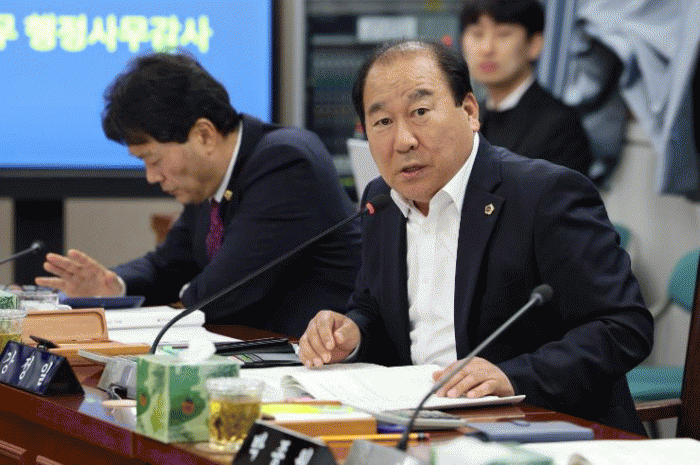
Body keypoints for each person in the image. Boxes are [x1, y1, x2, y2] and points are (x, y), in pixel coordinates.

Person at [298, 40, 653, 435]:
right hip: (422, 425)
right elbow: (374, 311)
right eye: (382, 122)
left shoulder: (544, 194)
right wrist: (352, 334)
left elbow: (623, 326)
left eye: (420, 112)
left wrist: (514, 377)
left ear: (469, 111)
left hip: (542, 428)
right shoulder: (380, 201)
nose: (403, 140)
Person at [35, 52, 361, 337]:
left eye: (153, 159)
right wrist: (112, 285)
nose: (151, 177)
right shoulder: (209, 182)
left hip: (320, 365)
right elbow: (168, 265)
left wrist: (181, 297)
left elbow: (221, 293)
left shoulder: (285, 164)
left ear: (203, 135)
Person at [460, 0, 593, 175]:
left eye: (503, 34)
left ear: (534, 45)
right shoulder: (469, 117)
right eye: (477, 34)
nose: (487, 48)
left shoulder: (560, 128)